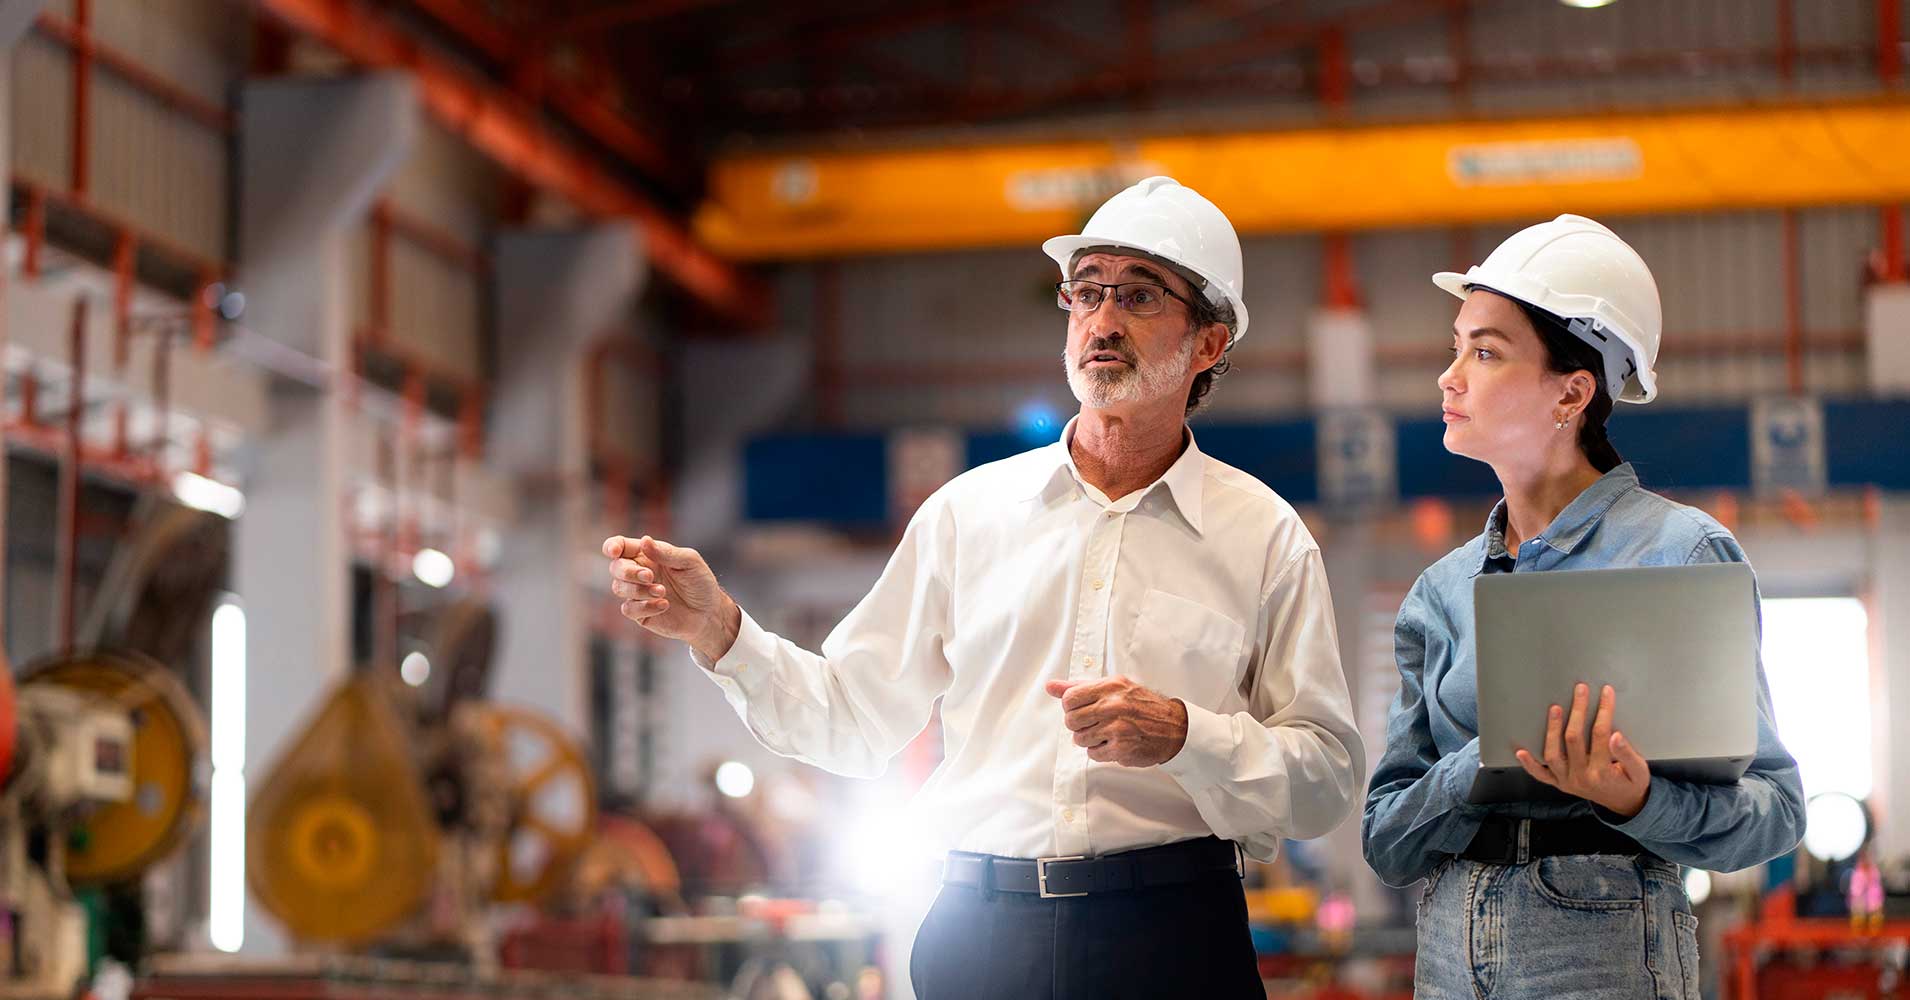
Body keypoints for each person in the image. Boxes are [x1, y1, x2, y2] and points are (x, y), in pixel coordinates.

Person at [603, 176, 1364, 998]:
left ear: (1209, 345)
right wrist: (722, 631)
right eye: (1086, 294)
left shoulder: (1264, 538)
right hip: (981, 940)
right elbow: (853, 721)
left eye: (1139, 296)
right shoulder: (968, 516)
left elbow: (1323, 780)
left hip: (1175, 939)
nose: (1101, 322)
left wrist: (1185, 735)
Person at [1361, 215, 1807, 1000]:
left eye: (1486, 351)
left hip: (1600, 945)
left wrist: (1635, 798)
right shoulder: (1441, 592)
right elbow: (1388, 841)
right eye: (1457, 345)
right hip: (1444, 951)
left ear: (1572, 391)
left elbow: (1773, 815)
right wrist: (1489, 755)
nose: (1449, 375)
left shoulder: (1680, 555)